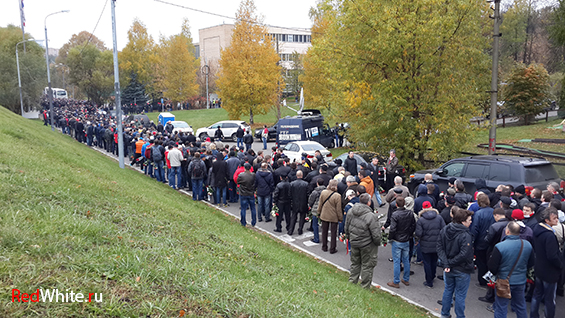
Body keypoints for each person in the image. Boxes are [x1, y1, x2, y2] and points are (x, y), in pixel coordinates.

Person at [487, 221, 534, 318]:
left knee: (501, 307)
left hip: (503, 281)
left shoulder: (500, 246)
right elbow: (531, 263)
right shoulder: (527, 245)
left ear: (507, 231)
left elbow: (493, 267)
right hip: (520, 281)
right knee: (521, 306)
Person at [437, 208, 474, 318]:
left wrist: (446, 263)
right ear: (463, 221)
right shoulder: (465, 235)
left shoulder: (445, 229)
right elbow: (464, 254)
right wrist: (449, 263)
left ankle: (444, 314)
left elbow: (439, 247)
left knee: (448, 290)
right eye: (469, 220)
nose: (471, 222)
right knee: (460, 295)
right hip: (462, 269)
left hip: (449, 268)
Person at [344, 193, 382, 288]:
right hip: (367, 244)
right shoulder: (371, 216)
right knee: (367, 265)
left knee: (355, 263)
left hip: (354, 242)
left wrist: (349, 237)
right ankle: (364, 286)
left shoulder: (351, 211)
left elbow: (347, 227)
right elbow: (376, 234)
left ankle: (352, 281)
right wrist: (377, 243)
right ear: (369, 202)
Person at [530, 208, 563, 318]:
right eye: (554, 218)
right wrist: (560, 265)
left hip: (539, 267)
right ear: (547, 220)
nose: (557, 220)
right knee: (549, 299)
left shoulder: (537, 229)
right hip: (549, 272)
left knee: (537, 294)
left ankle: (533, 315)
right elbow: (552, 256)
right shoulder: (549, 235)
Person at [387, 196, 416, 288]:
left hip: (397, 240)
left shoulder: (395, 215)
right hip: (406, 239)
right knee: (406, 260)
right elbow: (413, 226)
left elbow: (393, 229)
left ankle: (396, 281)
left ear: (396, 204)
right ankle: (406, 279)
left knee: (396, 261)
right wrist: (409, 234)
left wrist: (390, 237)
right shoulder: (410, 213)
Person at [416, 201, 446, 288]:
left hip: (425, 245)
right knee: (434, 261)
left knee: (427, 263)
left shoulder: (421, 220)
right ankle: (433, 276)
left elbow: (419, 233)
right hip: (437, 244)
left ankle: (429, 281)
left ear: (422, 208)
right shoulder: (439, 217)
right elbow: (444, 230)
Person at [470, 193, 494, 288]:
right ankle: (489, 280)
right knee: (488, 261)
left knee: (481, 262)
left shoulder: (478, 214)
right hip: (491, 241)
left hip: (480, 241)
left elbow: (475, 229)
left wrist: (472, 241)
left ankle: (482, 280)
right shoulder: (493, 212)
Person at [319, 179, 343, 254]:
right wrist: (340, 218)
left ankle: (324, 246)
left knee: (324, 231)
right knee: (333, 233)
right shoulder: (337, 196)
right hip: (333, 216)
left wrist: (319, 213)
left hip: (324, 214)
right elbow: (338, 209)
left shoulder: (323, 192)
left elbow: (320, 204)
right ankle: (332, 248)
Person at [289, 170, 309, 235]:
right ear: (302, 175)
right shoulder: (306, 184)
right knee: (302, 217)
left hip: (295, 202)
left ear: (296, 176)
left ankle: (290, 230)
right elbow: (307, 194)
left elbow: (289, 194)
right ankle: (300, 230)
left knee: (293, 217)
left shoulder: (292, 184)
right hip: (303, 202)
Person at [308, 178, 326, 243]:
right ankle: (324, 239)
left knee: (315, 225)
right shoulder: (326, 191)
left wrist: (310, 206)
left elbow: (310, 200)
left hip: (316, 210)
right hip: (324, 209)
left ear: (317, 183)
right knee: (324, 226)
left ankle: (316, 238)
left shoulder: (315, 192)